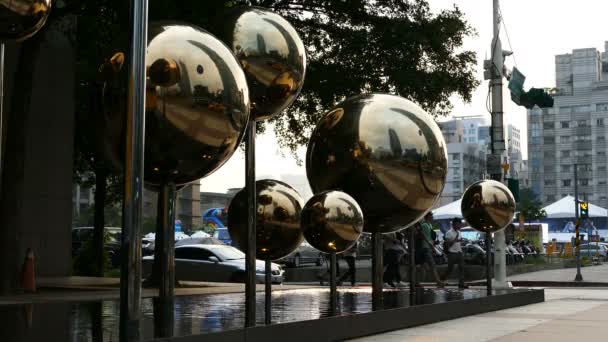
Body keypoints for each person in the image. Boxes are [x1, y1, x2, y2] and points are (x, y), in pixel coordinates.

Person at [416, 212, 445, 287]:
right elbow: (423, 235)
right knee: (432, 264)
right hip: (425, 248)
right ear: (428, 216)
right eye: (431, 216)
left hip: (427, 247)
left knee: (423, 266)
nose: (432, 217)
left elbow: (428, 236)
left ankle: (417, 282)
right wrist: (430, 244)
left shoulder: (429, 225)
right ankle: (438, 281)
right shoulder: (424, 225)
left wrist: (433, 242)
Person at [441, 218, 467, 289]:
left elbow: (458, 242)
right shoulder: (449, 233)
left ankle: (461, 283)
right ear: (454, 224)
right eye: (459, 224)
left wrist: (461, 242)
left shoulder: (459, 232)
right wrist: (456, 239)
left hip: (459, 252)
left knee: (462, 268)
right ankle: (442, 278)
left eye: (460, 224)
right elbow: (447, 244)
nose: (460, 225)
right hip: (452, 253)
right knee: (450, 269)